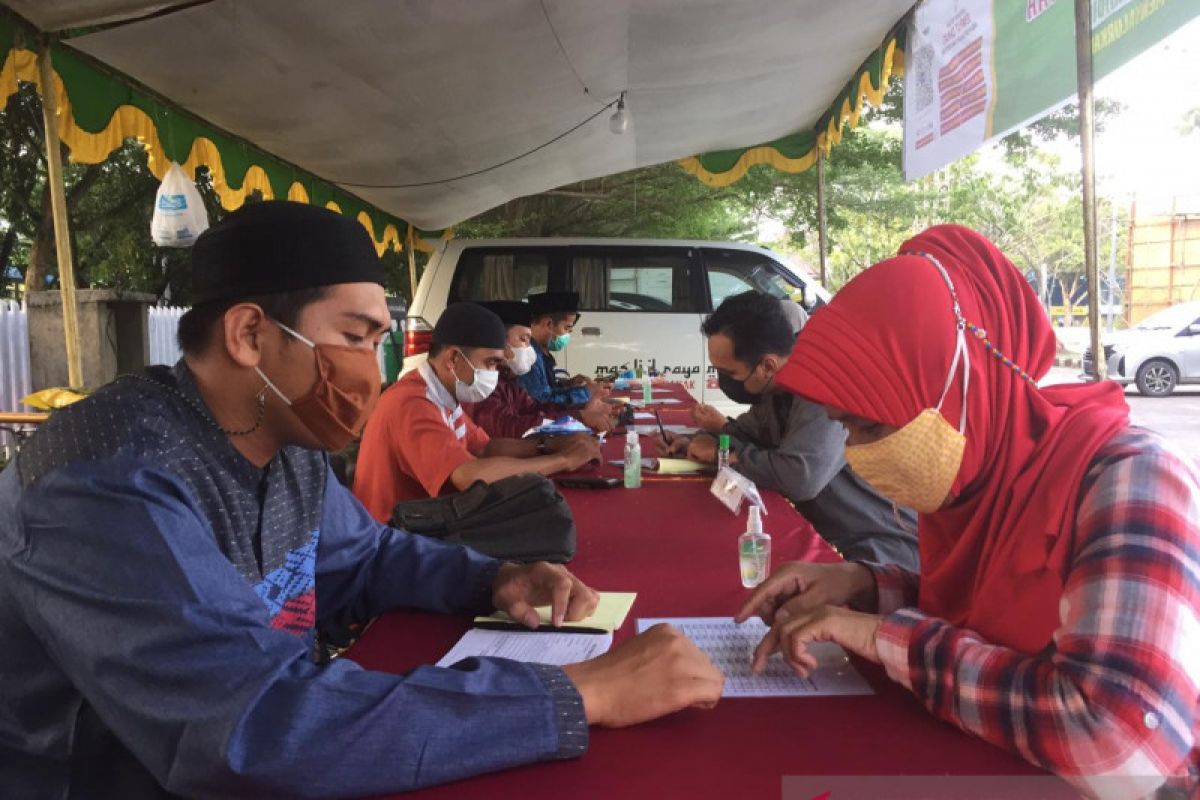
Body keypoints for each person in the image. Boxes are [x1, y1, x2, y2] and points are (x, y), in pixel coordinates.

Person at [0, 201, 724, 799]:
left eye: (380, 339)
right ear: (250, 333)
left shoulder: (281, 439)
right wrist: (575, 695)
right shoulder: (108, 483)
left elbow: (365, 554)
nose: (371, 369)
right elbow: (247, 729)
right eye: (353, 336)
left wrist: (492, 578)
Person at [737, 225, 1199, 799]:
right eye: (846, 429)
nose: (857, 453)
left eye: (871, 426)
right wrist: (861, 585)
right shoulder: (979, 485)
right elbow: (981, 615)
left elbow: (1116, 744)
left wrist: (881, 635)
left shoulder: (1131, 480)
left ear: (962, 386)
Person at [659, 291, 919, 569]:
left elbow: (800, 476)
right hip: (827, 536)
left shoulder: (822, 393)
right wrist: (692, 441)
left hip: (877, 549)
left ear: (767, 366)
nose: (724, 381)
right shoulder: (776, 390)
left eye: (730, 373)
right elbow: (743, 432)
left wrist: (723, 454)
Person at [353, 301, 602, 521]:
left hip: (424, 520)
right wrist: (562, 460)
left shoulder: (444, 393)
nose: (494, 374)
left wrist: (548, 446)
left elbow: (485, 447)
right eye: (490, 363)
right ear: (453, 359)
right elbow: (469, 476)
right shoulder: (411, 402)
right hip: (394, 539)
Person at [462, 300, 618, 438]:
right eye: (523, 339)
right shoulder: (480, 382)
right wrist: (579, 416)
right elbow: (506, 426)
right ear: (498, 341)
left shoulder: (507, 378)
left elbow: (536, 408)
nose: (529, 349)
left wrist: (582, 409)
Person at [518, 291, 608, 405]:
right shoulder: (529, 356)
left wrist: (567, 384)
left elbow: (546, 389)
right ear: (549, 324)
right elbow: (542, 402)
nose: (568, 334)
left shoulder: (540, 352)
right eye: (566, 328)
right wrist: (586, 392)